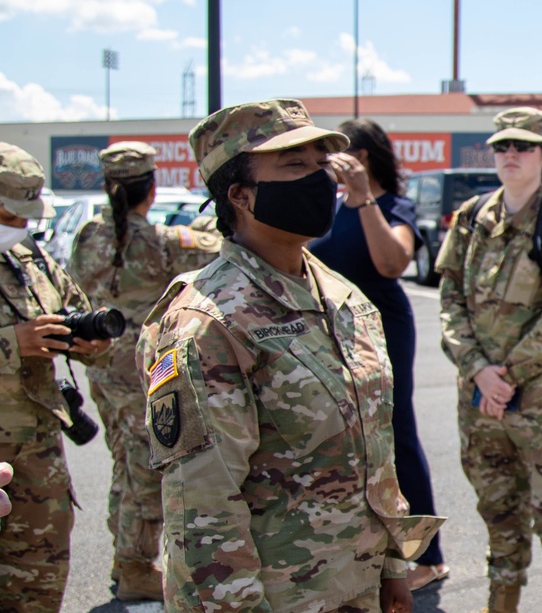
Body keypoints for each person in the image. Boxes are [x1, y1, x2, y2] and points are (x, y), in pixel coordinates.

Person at [136, 99, 443, 613]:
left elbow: (376, 451)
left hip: (355, 588)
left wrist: (392, 566)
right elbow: (203, 509)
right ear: (241, 196)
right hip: (272, 597)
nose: (319, 181)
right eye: (295, 167)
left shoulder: (343, 297)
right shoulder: (207, 322)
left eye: (322, 165)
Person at [436, 107, 542, 613]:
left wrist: (504, 377)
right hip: (481, 402)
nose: (511, 155)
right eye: (503, 146)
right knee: (498, 513)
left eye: (523, 147)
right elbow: (450, 300)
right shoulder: (471, 218)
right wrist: (478, 371)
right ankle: (500, 604)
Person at [68, 141, 222, 601]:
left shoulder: (86, 237)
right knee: (146, 471)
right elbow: (213, 246)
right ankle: (135, 566)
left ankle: (125, 559)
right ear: (150, 190)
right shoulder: (160, 242)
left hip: (101, 371)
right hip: (143, 373)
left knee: (125, 465)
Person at [309, 118, 449, 591]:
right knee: (343, 437)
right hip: (331, 331)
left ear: (363, 157)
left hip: (382, 329)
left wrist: (363, 195)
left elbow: (393, 262)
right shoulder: (328, 207)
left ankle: (426, 558)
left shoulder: (392, 206)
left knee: (397, 435)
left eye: (339, 155)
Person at [0, 142, 112, 613]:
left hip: (38, 456)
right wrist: (12, 343)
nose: (23, 226)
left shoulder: (30, 258)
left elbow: (75, 314)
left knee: (39, 588)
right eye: (12, 214)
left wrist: (90, 345)